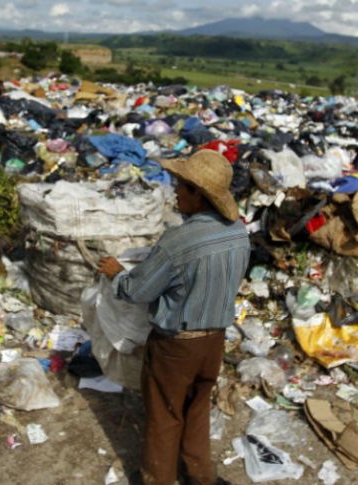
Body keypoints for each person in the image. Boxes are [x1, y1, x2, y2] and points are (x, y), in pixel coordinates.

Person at [98, 149, 250, 485]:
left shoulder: (178, 241)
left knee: (165, 415)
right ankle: (199, 475)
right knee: (197, 409)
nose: (175, 192)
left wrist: (116, 273)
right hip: (213, 341)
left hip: (176, 346)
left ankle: (159, 478)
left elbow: (137, 291)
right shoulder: (237, 232)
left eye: (181, 186)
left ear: (199, 195)